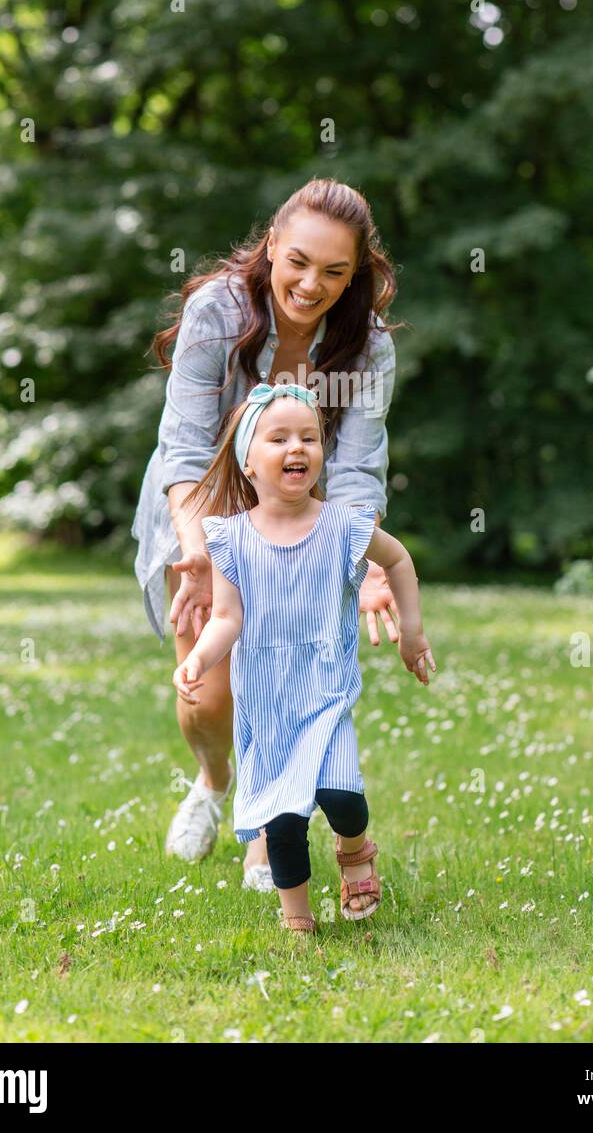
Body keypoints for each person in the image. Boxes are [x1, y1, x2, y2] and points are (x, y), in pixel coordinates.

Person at [130, 179, 403, 890]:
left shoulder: (365, 348)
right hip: (202, 505)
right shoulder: (219, 312)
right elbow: (186, 447)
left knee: (280, 680)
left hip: (298, 517)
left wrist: (369, 564)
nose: (313, 285)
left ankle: (263, 838)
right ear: (272, 247)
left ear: (356, 274)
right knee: (209, 698)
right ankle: (213, 781)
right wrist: (195, 546)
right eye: (300, 263)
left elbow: (356, 471)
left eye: (336, 272)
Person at [171, 381, 435, 936]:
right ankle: (298, 922)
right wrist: (197, 659)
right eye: (280, 438)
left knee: (342, 797)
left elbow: (401, 561)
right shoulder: (230, 539)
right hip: (266, 705)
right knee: (283, 822)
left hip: (324, 693)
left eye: (310, 438)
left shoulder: (344, 526)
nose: (298, 448)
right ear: (248, 460)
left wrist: (411, 635)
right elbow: (226, 619)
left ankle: (356, 848)